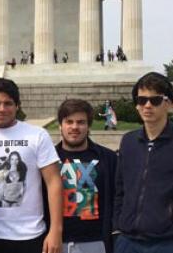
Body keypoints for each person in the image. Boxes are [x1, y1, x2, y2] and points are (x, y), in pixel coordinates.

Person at [0, 78, 63, 253]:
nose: (1, 109)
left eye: (8, 103)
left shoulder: (37, 135)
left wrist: (56, 230)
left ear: (17, 105)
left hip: (29, 235)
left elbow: (53, 182)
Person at [114, 72, 173, 253]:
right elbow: (120, 189)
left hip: (169, 243)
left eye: (155, 100)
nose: (147, 106)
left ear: (168, 103)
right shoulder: (128, 141)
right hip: (127, 242)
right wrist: (118, 225)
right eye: (142, 100)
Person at [55, 99, 117, 253]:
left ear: (88, 126)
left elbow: (118, 197)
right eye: (69, 122)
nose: (74, 127)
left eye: (81, 122)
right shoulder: (48, 159)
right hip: (57, 242)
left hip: (96, 242)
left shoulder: (109, 158)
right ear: (60, 125)